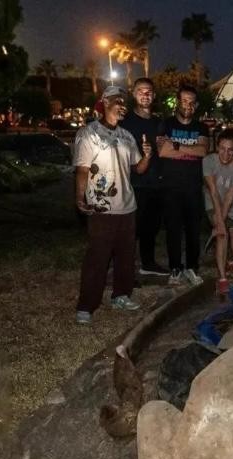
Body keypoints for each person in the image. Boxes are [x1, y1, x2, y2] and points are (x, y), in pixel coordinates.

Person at [73, 86, 152, 324]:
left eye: (124, 101)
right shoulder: (89, 134)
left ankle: (121, 295)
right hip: (101, 207)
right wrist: (80, 198)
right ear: (105, 102)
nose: (122, 105)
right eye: (118, 100)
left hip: (127, 206)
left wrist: (147, 156)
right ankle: (87, 305)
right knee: (98, 257)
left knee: (126, 256)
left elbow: (138, 169)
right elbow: (82, 169)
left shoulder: (127, 136)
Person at [157, 85, 209, 286]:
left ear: (196, 105)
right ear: (178, 102)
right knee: (173, 230)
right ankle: (175, 268)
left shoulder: (201, 127)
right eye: (184, 101)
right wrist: (191, 148)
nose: (188, 105)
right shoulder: (166, 124)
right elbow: (162, 151)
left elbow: (203, 151)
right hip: (170, 187)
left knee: (193, 230)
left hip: (193, 187)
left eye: (192, 102)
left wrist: (176, 146)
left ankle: (192, 268)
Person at [119, 77, 168, 277]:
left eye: (149, 91)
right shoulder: (125, 123)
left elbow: (164, 151)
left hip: (156, 183)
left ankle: (148, 264)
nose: (145, 95)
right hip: (134, 184)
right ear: (133, 93)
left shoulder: (159, 123)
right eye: (140, 90)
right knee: (131, 230)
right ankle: (125, 271)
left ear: (154, 95)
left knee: (151, 228)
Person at [203, 129, 233, 295]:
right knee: (222, 235)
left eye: (230, 150)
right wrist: (220, 224)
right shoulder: (208, 161)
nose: (226, 154)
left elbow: (230, 197)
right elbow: (213, 192)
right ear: (217, 146)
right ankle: (222, 278)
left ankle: (229, 258)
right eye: (222, 148)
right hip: (213, 202)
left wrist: (220, 222)